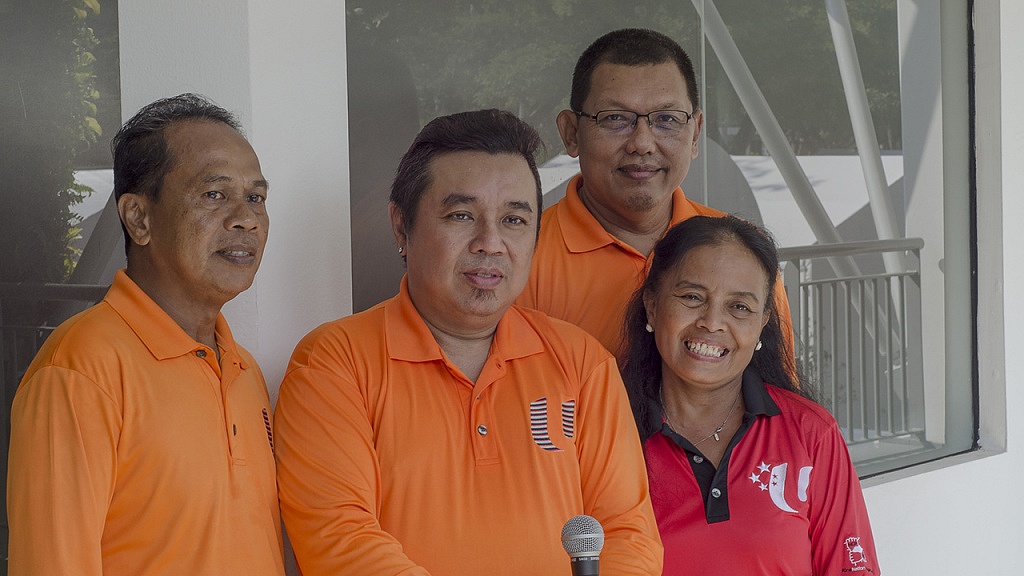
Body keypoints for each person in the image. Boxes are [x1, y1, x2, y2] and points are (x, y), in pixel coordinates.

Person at [274, 109, 662, 575]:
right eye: (461, 215)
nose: (491, 242)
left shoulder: (581, 364)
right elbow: (339, 540)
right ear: (402, 227)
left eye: (515, 220)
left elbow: (627, 534)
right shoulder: (334, 362)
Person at [7, 94, 284, 575]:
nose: (247, 218)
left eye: (256, 196)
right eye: (214, 194)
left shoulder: (243, 372)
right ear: (138, 218)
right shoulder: (78, 371)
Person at [620, 215, 880, 575]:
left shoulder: (811, 434)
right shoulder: (608, 432)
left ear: (762, 323)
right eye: (693, 297)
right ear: (652, 305)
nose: (712, 322)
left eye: (739, 307)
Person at [517, 28, 794, 358]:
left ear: (695, 134)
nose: (642, 144)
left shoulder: (743, 255)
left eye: (666, 119)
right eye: (615, 118)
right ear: (572, 133)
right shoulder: (518, 259)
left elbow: (780, 403)